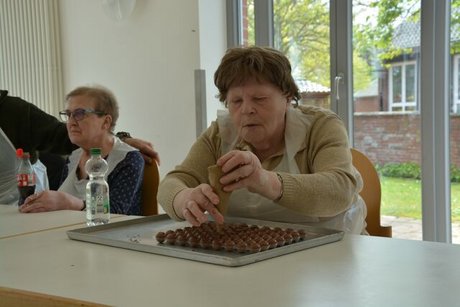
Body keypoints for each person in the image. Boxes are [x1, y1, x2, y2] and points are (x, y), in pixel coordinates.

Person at [158, 46, 367, 234]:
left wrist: (265, 181)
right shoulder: (219, 134)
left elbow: (340, 190)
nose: (247, 109)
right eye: (236, 101)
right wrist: (183, 199)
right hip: (246, 253)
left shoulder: (320, 126)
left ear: (287, 98)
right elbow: (172, 183)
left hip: (330, 252)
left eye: (259, 99)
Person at [0, 89, 159, 205]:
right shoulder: (74, 158)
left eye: (80, 114)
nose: (71, 122)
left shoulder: (129, 160)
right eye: (68, 115)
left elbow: (115, 211)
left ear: (106, 121)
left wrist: (120, 140)